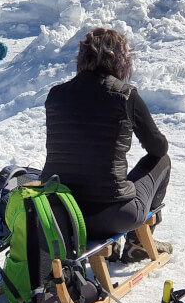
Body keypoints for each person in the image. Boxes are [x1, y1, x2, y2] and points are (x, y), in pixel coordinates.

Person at [40, 28, 172, 264]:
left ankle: (125, 242)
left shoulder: (56, 94)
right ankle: (138, 243)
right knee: (162, 161)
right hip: (112, 216)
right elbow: (158, 149)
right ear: (121, 60)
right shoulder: (125, 95)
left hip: (61, 213)